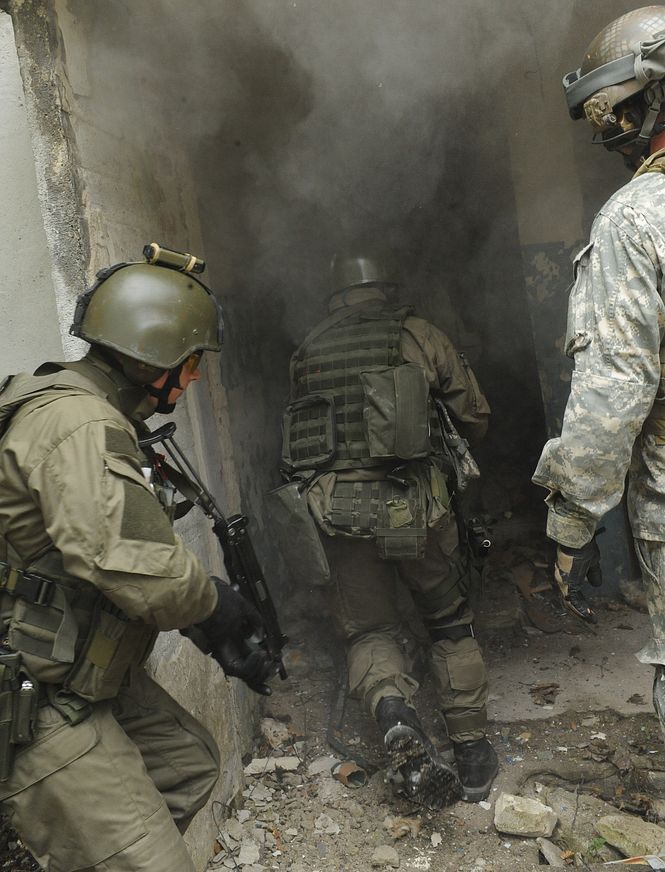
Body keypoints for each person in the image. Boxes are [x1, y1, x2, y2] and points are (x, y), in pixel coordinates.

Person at [0, 246, 274, 872]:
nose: (197, 376)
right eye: (193, 360)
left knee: (186, 764)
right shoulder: (81, 426)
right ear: (152, 355)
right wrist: (213, 605)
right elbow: (132, 566)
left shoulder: (81, 409)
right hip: (34, 696)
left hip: (72, 673)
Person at [280, 253, 498, 804]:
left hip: (338, 512)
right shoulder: (419, 333)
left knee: (369, 630)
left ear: (337, 297)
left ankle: (396, 716)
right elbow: (474, 417)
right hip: (416, 505)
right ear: (383, 289)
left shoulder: (308, 350)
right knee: (449, 623)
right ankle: (472, 757)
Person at [532, 6, 665, 736]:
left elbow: (615, 388)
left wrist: (572, 519)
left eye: (612, 109)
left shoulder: (636, 216)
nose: (604, 130)